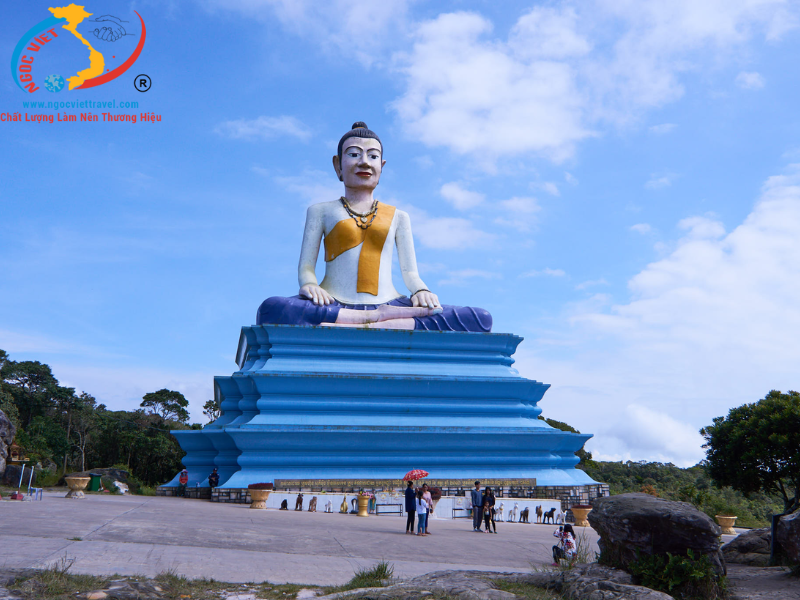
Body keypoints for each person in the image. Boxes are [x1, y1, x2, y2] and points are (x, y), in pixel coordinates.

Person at [256, 122, 492, 332]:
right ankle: (376, 319)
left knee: (479, 318)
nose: (364, 162)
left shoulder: (399, 216)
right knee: (272, 309)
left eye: (372, 156)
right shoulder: (321, 211)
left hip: (390, 302)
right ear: (338, 165)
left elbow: (410, 273)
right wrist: (309, 284)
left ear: (382, 166)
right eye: (354, 154)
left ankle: (360, 320)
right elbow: (307, 266)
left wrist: (421, 291)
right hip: (332, 302)